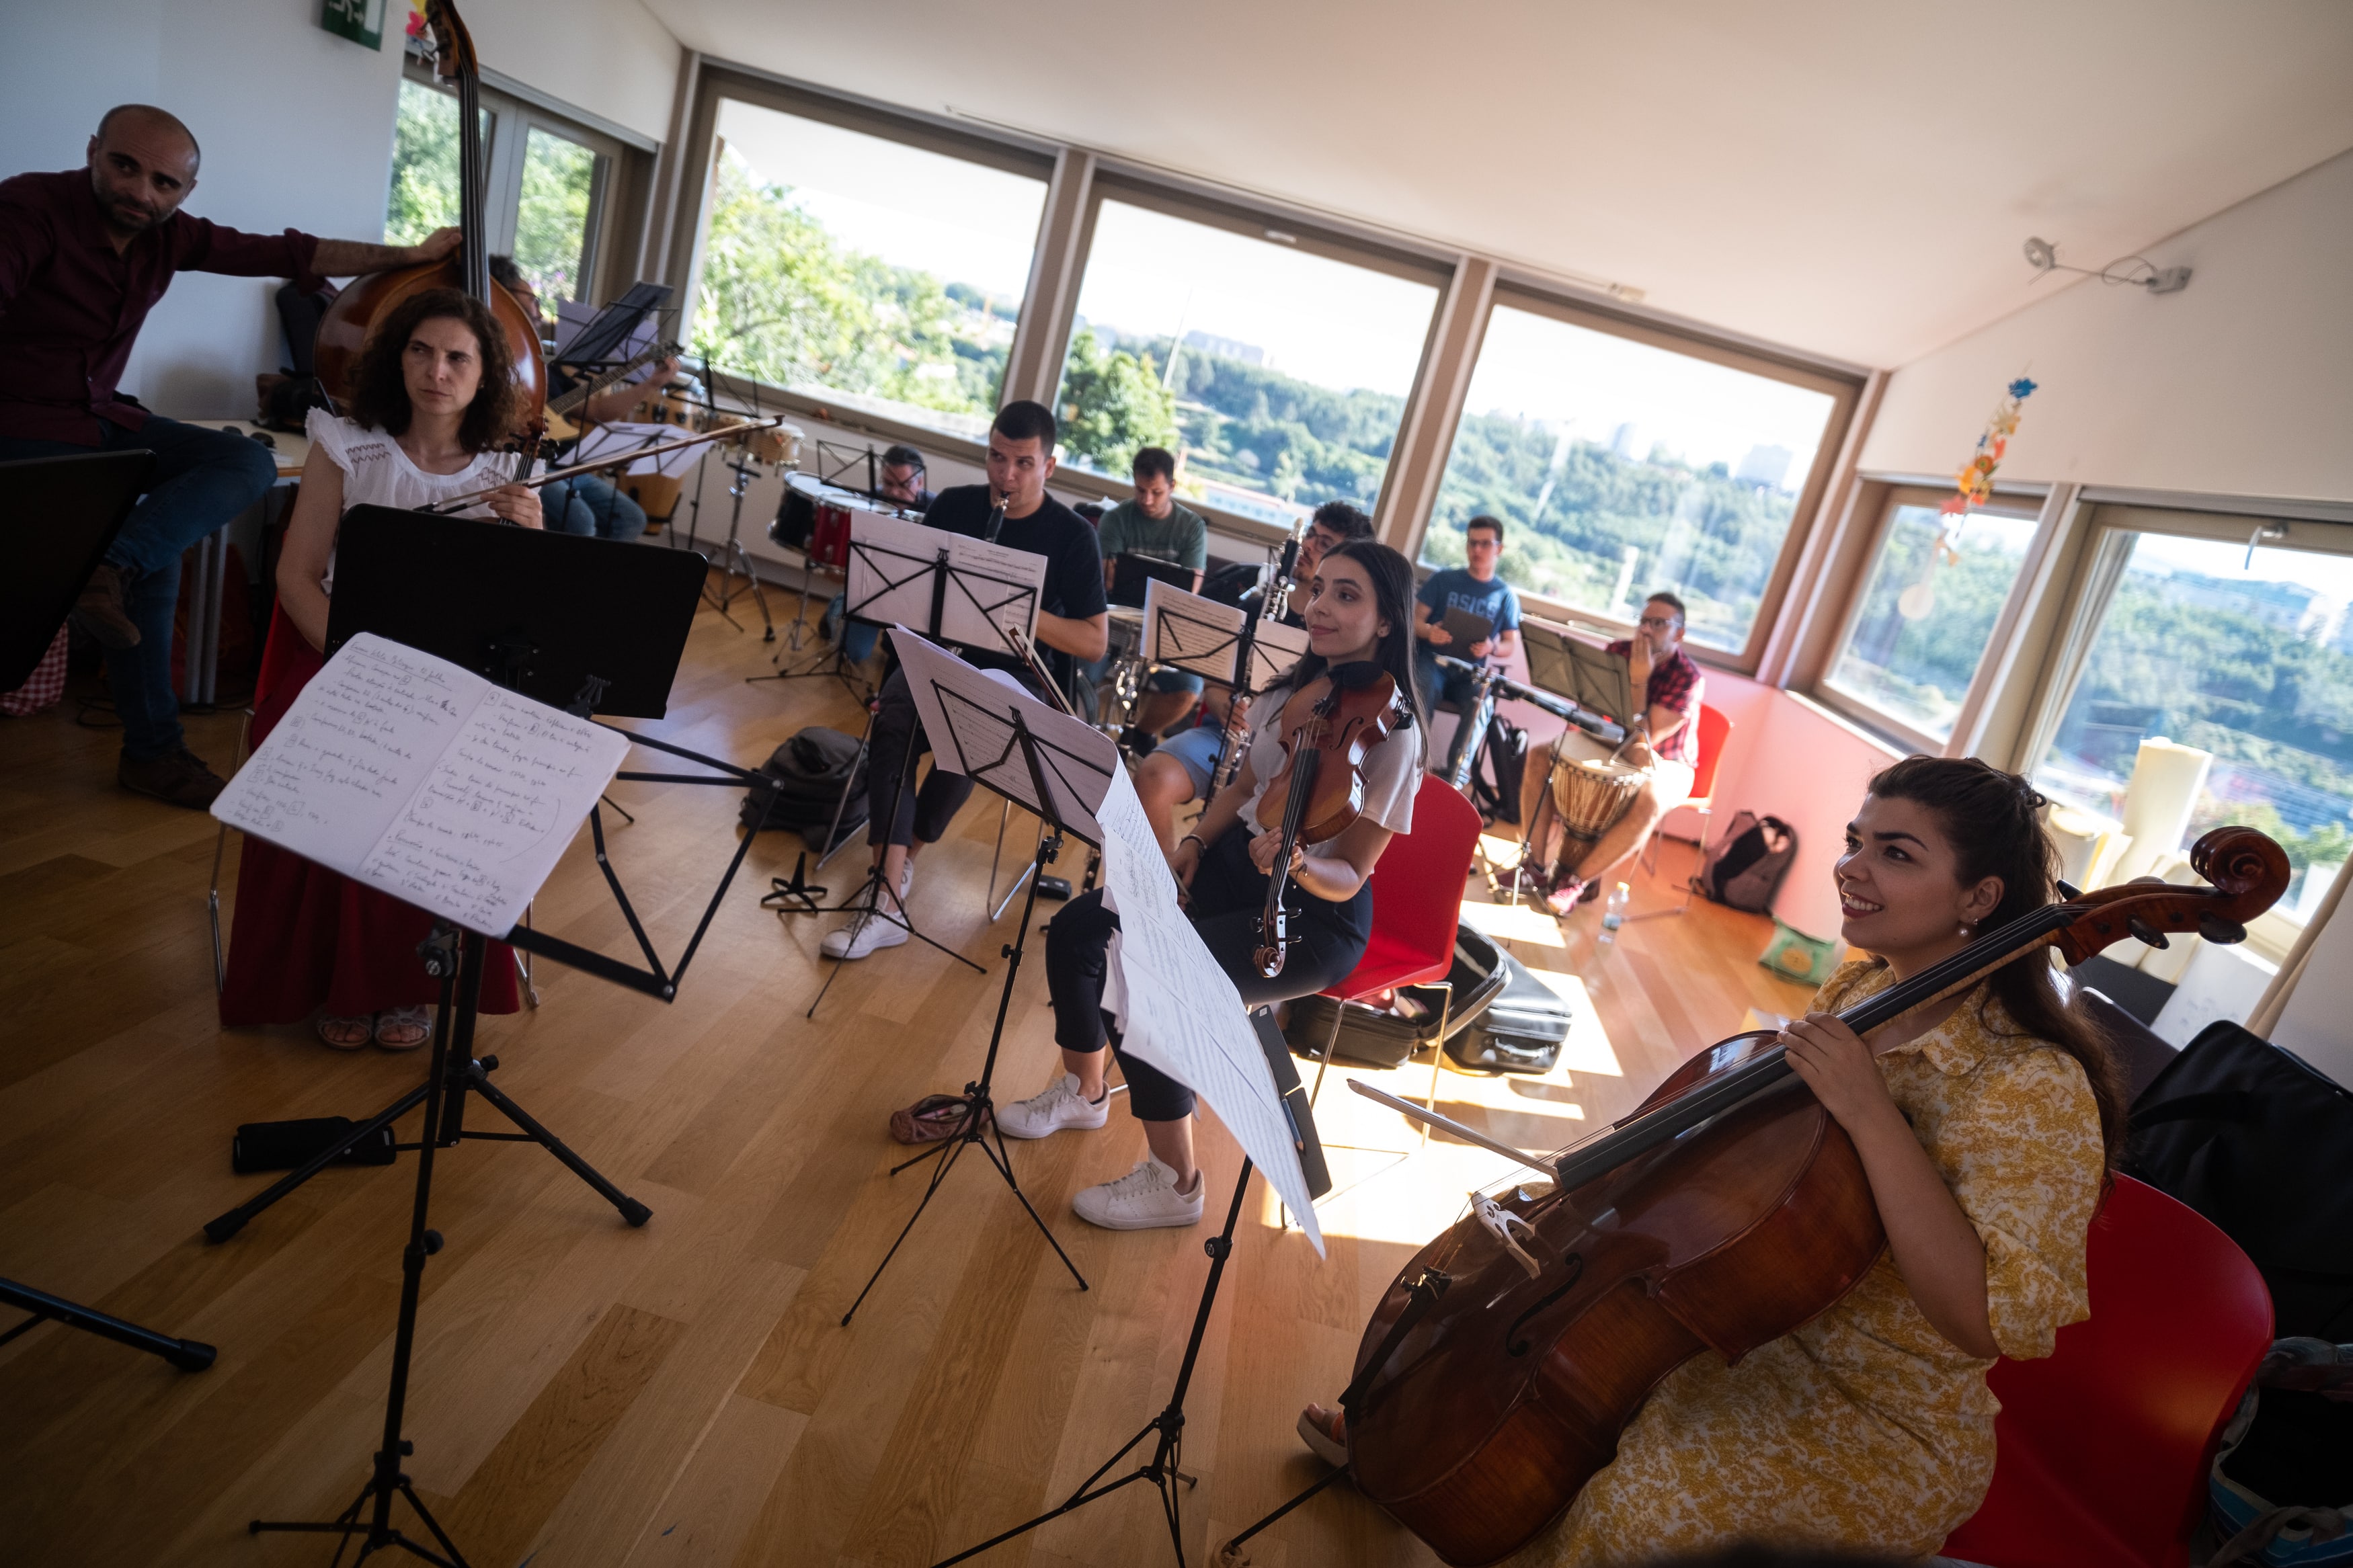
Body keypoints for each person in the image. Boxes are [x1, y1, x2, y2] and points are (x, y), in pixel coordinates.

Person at [1300, 755, 2122, 1563]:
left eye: (1895, 853)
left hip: (1876, 1409)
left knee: (1636, 1518)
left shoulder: (2031, 1086)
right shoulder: (1862, 991)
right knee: (1554, 1392)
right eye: (1854, 840)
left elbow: (1983, 1320)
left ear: (1980, 896)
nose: (1850, 867)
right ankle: (1410, 1460)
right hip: (1740, 1317)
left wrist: (1873, 1113)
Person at [0, 104, 467, 809]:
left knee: (241, 464)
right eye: (125, 167)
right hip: (21, 426)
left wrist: (406, 256)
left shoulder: (168, 234)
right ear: (94, 150)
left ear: (185, 191)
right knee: (155, 554)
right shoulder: (28, 210)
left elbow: (291, 255)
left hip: (99, 418)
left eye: (164, 182)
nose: (141, 192)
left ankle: (112, 569)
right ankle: (152, 747)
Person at [996, 541, 1427, 1229]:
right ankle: (1084, 1091)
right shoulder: (1292, 693)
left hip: (1308, 916)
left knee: (1149, 980)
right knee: (1079, 929)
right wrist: (1195, 842)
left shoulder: (1395, 737)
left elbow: (1350, 875)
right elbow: (1245, 785)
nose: (1319, 606)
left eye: (1346, 595)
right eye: (1318, 589)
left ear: (1386, 620)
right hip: (1233, 864)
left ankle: (1177, 1184)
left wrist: (1297, 863)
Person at [218, 288, 539, 1049]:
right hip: (341, 652)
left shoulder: (507, 469)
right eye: (420, 351)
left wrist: (531, 536)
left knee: (449, 765)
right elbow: (297, 577)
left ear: (484, 374)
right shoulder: (345, 445)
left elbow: (521, 614)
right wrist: (359, 666)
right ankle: (332, 979)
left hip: (454, 671)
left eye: (457, 357)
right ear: (398, 359)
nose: (437, 371)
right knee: (330, 750)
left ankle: (408, 982)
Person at [822, 401, 1108, 960]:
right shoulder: (954, 504)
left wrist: (1015, 609)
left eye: (1024, 463)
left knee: (973, 731)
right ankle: (886, 897)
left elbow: (1094, 641)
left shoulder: (1074, 536)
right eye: (997, 458)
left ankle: (900, 865)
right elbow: (907, 594)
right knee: (895, 718)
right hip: (939, 654)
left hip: (1013, 673)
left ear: (1049, 467)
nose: (1007, 475)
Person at [1134, 499, 1374, 850]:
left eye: (1324, 543)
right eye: (1310, 535)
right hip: (1226, 738)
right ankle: (1164, 878)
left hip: (1292, 759)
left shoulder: (1340, 636)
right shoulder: (1255, 607)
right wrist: (1224, 707)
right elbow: (1215, 684)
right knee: (1152, 775)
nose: (1307, 546)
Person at [1517, 591, 1704, 912]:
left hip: (1669, 761)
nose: (1646, 630)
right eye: (1644, 621)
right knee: (1539, 755)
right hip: (1614, 742)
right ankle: (1533, 867)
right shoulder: (1619, 651)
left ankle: (1575, 882)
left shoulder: (1688, 678)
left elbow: (1646, 739)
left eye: (1659, 624)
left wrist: (1639, 681)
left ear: (1680, 634)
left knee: (1651, 799)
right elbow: (1591, 708)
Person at [489, 255, 676, 543]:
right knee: (581, 522)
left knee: (630, 518)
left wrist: (652, 384)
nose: (539, 310)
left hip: (565, 466)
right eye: (532, 300)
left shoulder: (542, 365)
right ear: (504, 299)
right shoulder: (493, 361)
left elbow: (596, 409)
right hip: (526, 466)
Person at [1094, 446, 1211, 742]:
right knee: (1078, 672)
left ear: (1172, 486)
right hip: (1113, 620)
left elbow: (1191, 590)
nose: (1147, 500)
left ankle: (1140, 737)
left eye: (1156, 492)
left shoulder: (1191, 526)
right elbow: (1108, 580)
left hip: (1163, 627)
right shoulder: (1116, 519)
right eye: (1140, 490)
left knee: (1189, 689)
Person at [1414, 514, 1523, 780]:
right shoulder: (1444, 580)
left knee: (1482, 702)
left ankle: (1454, 779)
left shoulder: (1505, 596)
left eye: (1485, 544)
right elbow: (1414, 621)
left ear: (1499, 549)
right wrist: (1430, 632)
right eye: (1472, 542)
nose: (1476, 550)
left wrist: (1492, 647)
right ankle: (1411, 762)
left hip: (1470, 673)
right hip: (1434, 662)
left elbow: (1510, 645)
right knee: (1423, 686)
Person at [823, 444, 934, 664]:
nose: (894, 493)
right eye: (888, 484)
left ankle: (888, 635)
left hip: (911, 600)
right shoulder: (868, 502)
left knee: (903, 657)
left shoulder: (936, 509)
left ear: (920, 482)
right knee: (854, 654)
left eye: (903, 485)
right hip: (870, 594)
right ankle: (838, 605)